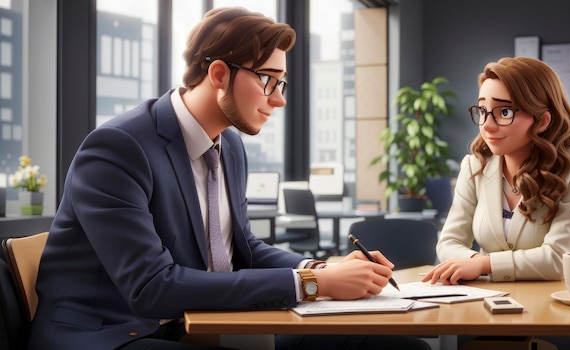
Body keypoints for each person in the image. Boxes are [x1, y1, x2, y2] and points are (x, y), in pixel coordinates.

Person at [29, 7, 429, 350]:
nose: (279, 99)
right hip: (112, 335)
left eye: (282, 82)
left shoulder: (230, 147)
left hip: (192, 326)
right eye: (267, 80)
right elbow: (152, 287)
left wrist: (321, 268)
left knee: (401, 346)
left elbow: (244, 249)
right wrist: (310, 284)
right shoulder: (118, 148)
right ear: (219, 73)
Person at [422, 56, 570, 285]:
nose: (486, 124)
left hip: (547, 306)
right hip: (485, 302)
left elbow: (557, 259)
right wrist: (473, 259)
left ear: (541, 121)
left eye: (504, 112)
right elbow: (448, 243)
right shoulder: (474, 165)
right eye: (483, 110)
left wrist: (483, 264)